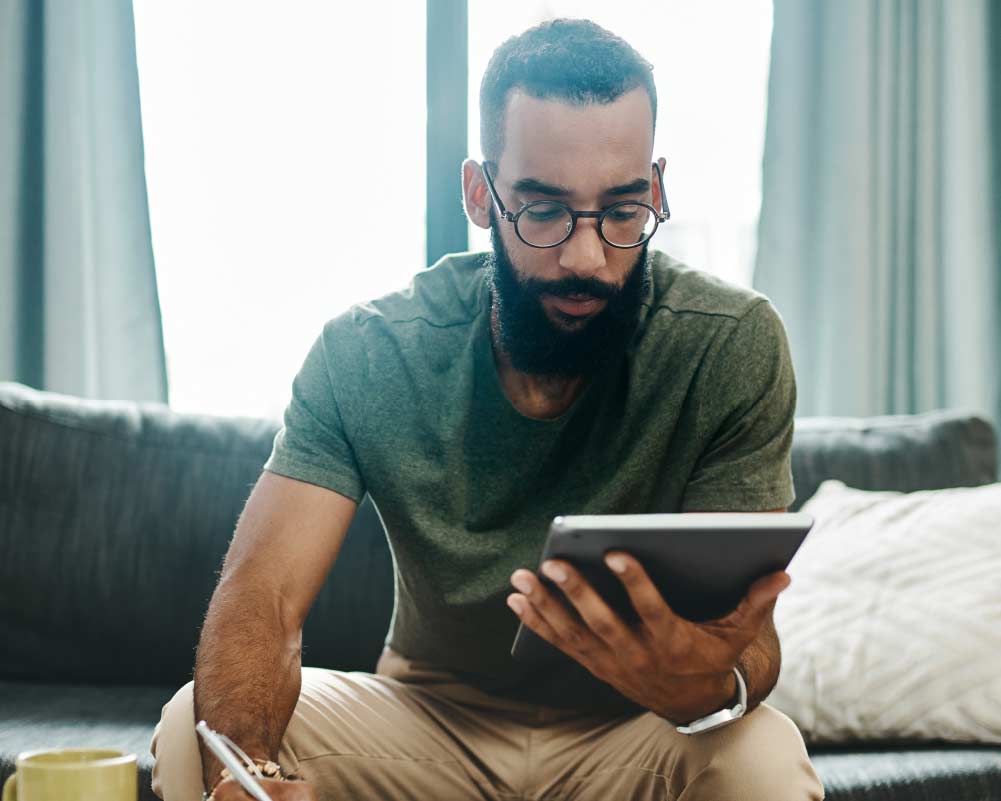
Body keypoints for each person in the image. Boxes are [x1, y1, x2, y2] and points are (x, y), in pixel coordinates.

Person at [151, 18, 825, 801]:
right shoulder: (370, 351)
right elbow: (261, 595)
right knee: (189, 727)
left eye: (621, 211)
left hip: (637, 730)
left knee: (762, 758)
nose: (586, 257)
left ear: (657, 190)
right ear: (480, 195)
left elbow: (748, 642)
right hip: (428, 724)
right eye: (541, 211)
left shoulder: (730, 345)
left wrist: (705, 681)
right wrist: (252, 772)